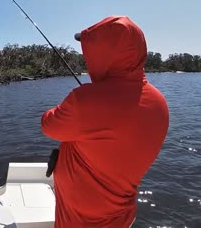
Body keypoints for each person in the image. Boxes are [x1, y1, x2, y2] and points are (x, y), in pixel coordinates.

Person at [41, 15, 169, 227]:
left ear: (102, 54)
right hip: (121, 215)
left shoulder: (85, 100)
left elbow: (48, 126)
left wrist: (73, 103)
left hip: (80, 218)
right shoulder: (159, 102)